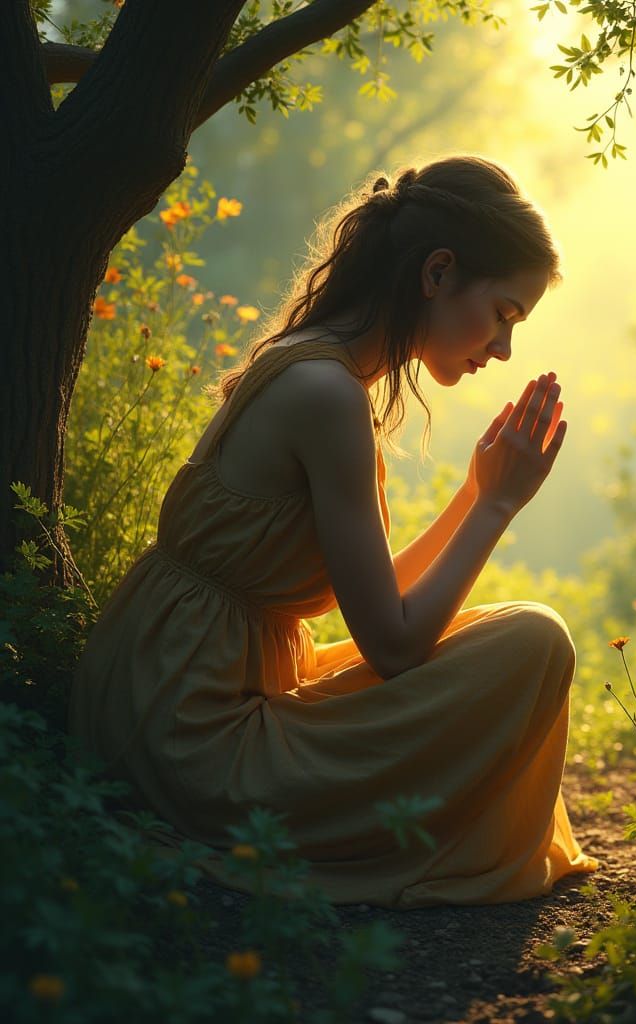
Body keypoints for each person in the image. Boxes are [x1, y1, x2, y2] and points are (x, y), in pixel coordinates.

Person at [67, 154, 601, 908]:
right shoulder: (326, 393)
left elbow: (378, 606)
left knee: (516, 634)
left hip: (177, 693)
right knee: (535, 642)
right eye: (505, 314)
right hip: (192, 743)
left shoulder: (317, 369)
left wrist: (474, 494)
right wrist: (496, 511)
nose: (505, 349)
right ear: (438, 272)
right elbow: (394, 645)